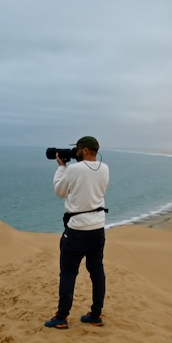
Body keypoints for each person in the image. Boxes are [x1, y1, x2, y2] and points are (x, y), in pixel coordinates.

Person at [44, 136, 110, 329]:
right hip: (98, 228)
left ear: (86, 150)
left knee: (68, 273)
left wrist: (61, 167)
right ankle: (96, 314)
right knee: (97, 271)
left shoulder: (73, 169)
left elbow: (59, 191)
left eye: (79, 149)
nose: (76, 152)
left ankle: (62, 317)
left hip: (77, 230)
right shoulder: (105, 168)